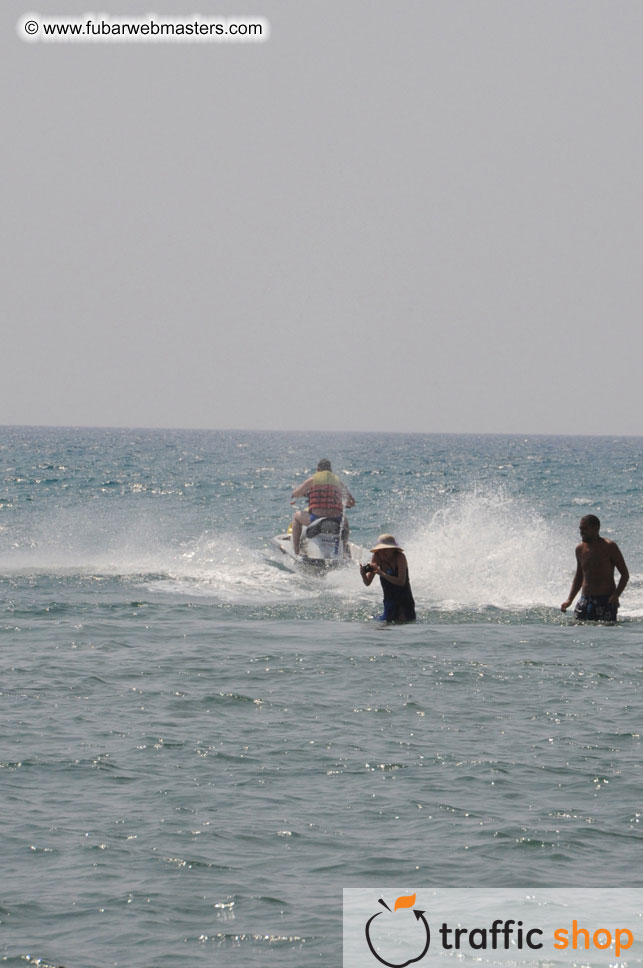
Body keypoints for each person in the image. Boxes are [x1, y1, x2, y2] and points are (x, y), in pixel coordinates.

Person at [560, 514, 629, 621]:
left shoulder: (609, 547)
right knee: (578, 628)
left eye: (585, 529)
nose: (581, 532)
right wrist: (570, 599)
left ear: (595, 528)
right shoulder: (580, 549)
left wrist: (616, 595)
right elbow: (579, 576)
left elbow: (625, 574)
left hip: (606, 600)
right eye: (580, 529)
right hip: (585, 600)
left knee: (605, 630)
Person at [290, 459, 355, 555]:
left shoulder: (313, 479)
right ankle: (344, 549)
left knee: (296, 516)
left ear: (318, 469)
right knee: (345, 521)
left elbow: (296, 493)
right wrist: (344, 503)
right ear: (330, 470)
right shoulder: (338, 481)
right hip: (336, 520)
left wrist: (297, 494)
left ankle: (296, 551)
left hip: (316, 519)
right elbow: (351, 502)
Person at [360, 534, 416, 623]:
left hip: (404, 600)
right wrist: (363, 574)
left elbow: (401, 581)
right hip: (389, 600)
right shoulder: (377, 556)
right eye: (380, 550)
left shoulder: (400, 557)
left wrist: (381, 573)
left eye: (385, 550)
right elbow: (367, 583)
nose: (382, 553)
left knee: (402, 624)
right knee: (384, 626)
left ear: (393, 549)